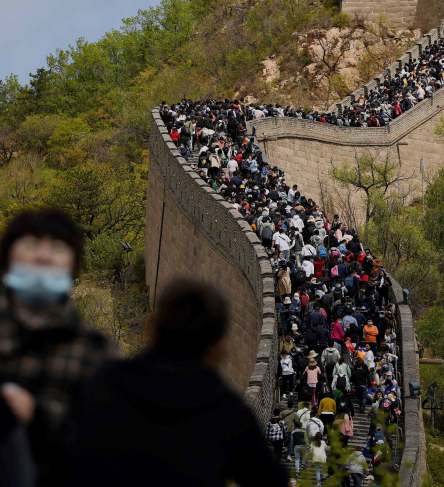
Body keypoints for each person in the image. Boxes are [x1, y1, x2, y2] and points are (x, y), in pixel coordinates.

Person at [68, 279, 288, 487]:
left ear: (152, 327)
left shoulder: (103, 385)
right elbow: (271, 479)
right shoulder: (228, 412)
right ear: (220, 346)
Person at [0, 209, 117, 486]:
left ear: (74, 266)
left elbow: (109, 448)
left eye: (57, 248)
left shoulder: (96, 353)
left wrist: (39, 417)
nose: (42, 256)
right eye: (30, 245)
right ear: (7, 260)